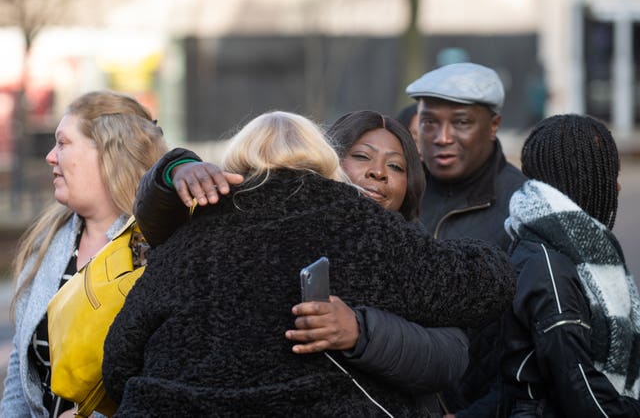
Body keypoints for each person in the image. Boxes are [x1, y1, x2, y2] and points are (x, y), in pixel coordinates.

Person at [102, 111, 515, 416]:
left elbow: (118, 363)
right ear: (328, 158)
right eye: (363, 158)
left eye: (394, 166)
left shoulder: (188, 238)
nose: (377, 175)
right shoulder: (357, 223)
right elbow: (487, 282)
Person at [0, 91, 168, 418]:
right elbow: (20, 378)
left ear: (108, 153)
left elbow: (171, 381)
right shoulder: (46, 244)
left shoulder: (161, 248)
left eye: (62, 143)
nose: (50, 156)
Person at [406, 62, 527, 417]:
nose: (442, 137)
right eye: (430, 122)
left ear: (493, 126)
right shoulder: (396, 194)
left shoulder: (524, 205)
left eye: (460, 122)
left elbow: (535, 345)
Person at [501, 114, 640, 417]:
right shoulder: (548, 264)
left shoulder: (551, 244)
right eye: (607, 175)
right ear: (583, 182)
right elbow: (577, 386)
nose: (616, 187)